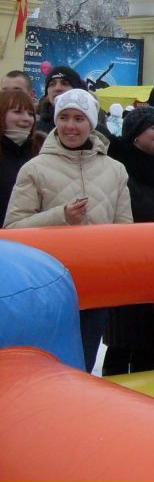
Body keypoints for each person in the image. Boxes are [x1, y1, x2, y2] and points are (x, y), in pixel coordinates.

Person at [4, 88, 133, 371]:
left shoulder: (115, 170)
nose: (70, 126)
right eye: (64, 117)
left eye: (78, 118)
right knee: (48, 370)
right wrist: (61, 216)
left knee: (83, 367)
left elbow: (125, 231)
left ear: (91, 123)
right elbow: (12, 229)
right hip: (46, 287)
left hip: (95, 286)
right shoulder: (34, 169)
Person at [104, 106, 154, 374]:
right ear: (136, 135)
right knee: (122, 342)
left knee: (150, 343)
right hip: (127, 262)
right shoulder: (118, 168)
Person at [0, 89, 41, 227]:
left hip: (29, 240)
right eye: (17, 112)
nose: (26, 119)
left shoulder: (40, 152)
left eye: (31, 114)